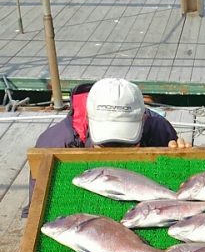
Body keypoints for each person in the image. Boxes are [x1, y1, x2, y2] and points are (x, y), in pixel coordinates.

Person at [27, 78, 190, 210]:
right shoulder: (53, 144)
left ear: (143, 119)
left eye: (126, 143)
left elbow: (173, 190)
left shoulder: (159, 129)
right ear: (89, 119)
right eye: (106, 144)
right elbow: (38, 209)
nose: (117, 152)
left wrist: (186, 162)